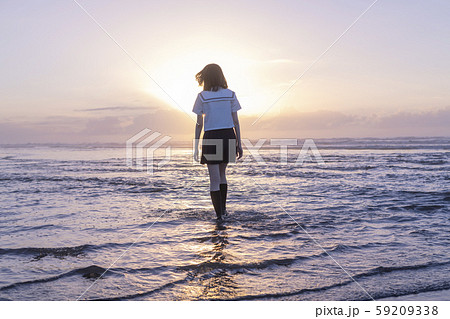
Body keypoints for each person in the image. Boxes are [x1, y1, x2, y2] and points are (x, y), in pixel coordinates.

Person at [192, 63, 243, 220]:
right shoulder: (231, 94)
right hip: (228, 135)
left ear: (206, 77)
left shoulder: (202, 96)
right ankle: (223, 211)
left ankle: (219, 215)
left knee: (214, 179)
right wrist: (239, 143)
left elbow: (199, 123)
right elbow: (236, 121)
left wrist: (195, 146)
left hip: (212, 136)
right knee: (222, 175)